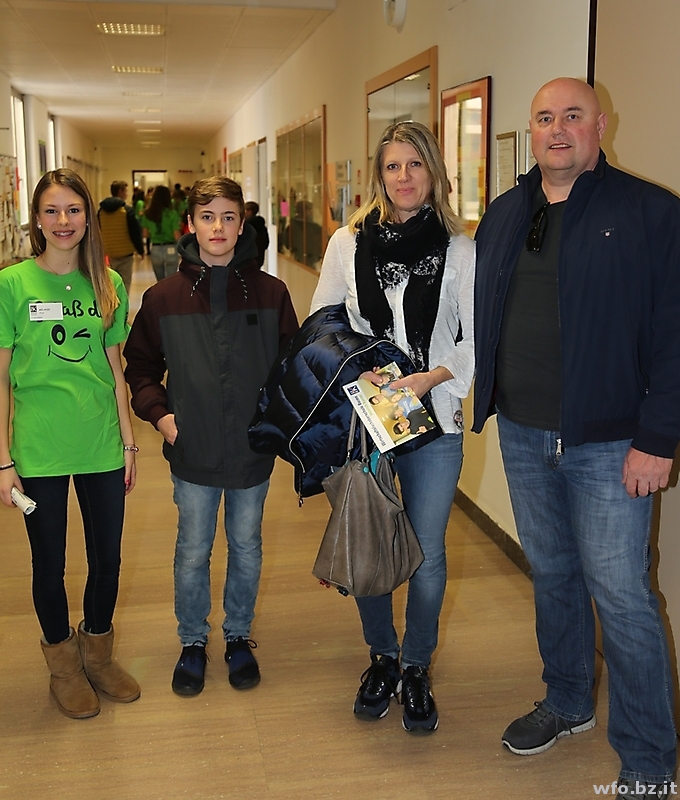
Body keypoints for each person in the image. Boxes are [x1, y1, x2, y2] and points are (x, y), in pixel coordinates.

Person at [473, 78, 680, 798]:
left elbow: (674, 333)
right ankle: (566, 701)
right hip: (524, 432)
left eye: (572, 116)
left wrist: (658, 437)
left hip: (612, 442)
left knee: (621, 595)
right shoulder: (506, 213)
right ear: (530, 131)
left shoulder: (651, 212)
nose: (557, 129)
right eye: (544, 118)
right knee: (553, 575)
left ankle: (648, 759)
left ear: (601, 124)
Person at [310, 121, 475, 734]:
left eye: (415, 164)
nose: (404, 177)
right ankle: (381, 656)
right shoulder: (347, 243)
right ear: (379, 176)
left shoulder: (461, 250)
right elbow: (322, 323)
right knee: (372, 536)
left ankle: (416, 665)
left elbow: (476, 339)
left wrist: (431, 378)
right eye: (392, 166)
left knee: (427, 553)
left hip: (435, 417)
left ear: (433, 171)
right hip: (369, 419)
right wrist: (361, 366)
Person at [123, 176, 298, 698]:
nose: (217, 227)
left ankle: (238, 635)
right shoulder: (163, 298)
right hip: (192, 448)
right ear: (191, 224)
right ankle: (193, 641)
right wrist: (161, 417)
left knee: (246, 545)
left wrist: (278, 424)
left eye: (228, 217)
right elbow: (139, 367)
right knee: (193, 549)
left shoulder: (271, 293)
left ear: (242, 224)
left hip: (251, 451)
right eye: (207, 217)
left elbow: (291, 368)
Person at [0, 168, 140, 719]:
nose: (64, 221)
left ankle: (98, 654)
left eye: (74, 210)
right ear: (36, 219)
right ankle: (63, 666)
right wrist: (3, 461)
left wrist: (129, 443)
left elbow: (116, 370)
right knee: (49, 562)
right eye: (52, 211)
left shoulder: (109, 284)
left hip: (101, 442)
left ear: (89, 218)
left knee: (108, 558)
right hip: (39, 450)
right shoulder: (11, 285)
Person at [97, 180, 144, 296]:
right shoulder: (126, 211)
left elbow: (98, 231)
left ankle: (112, 305)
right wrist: (140, 250)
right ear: (120, 191)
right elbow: (134, 232)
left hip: (109, 253)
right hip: (125, 254)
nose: (127, 194)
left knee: (111, 284)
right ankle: (122, 306)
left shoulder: (101, 211)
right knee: (125, 283)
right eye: (126, 191)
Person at [142, 185, 181, 281]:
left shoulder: (147, 214)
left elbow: (145, 234)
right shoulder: (172, 214)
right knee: (171, 281)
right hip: (171, 248)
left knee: (160, 282)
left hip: (155, 249)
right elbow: (176, 235)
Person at [244, 201, 270, 268]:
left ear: (249, 211)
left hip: (246, 261)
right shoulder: (262, 226)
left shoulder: (245, 227)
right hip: (259, 259)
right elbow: (266, 244)